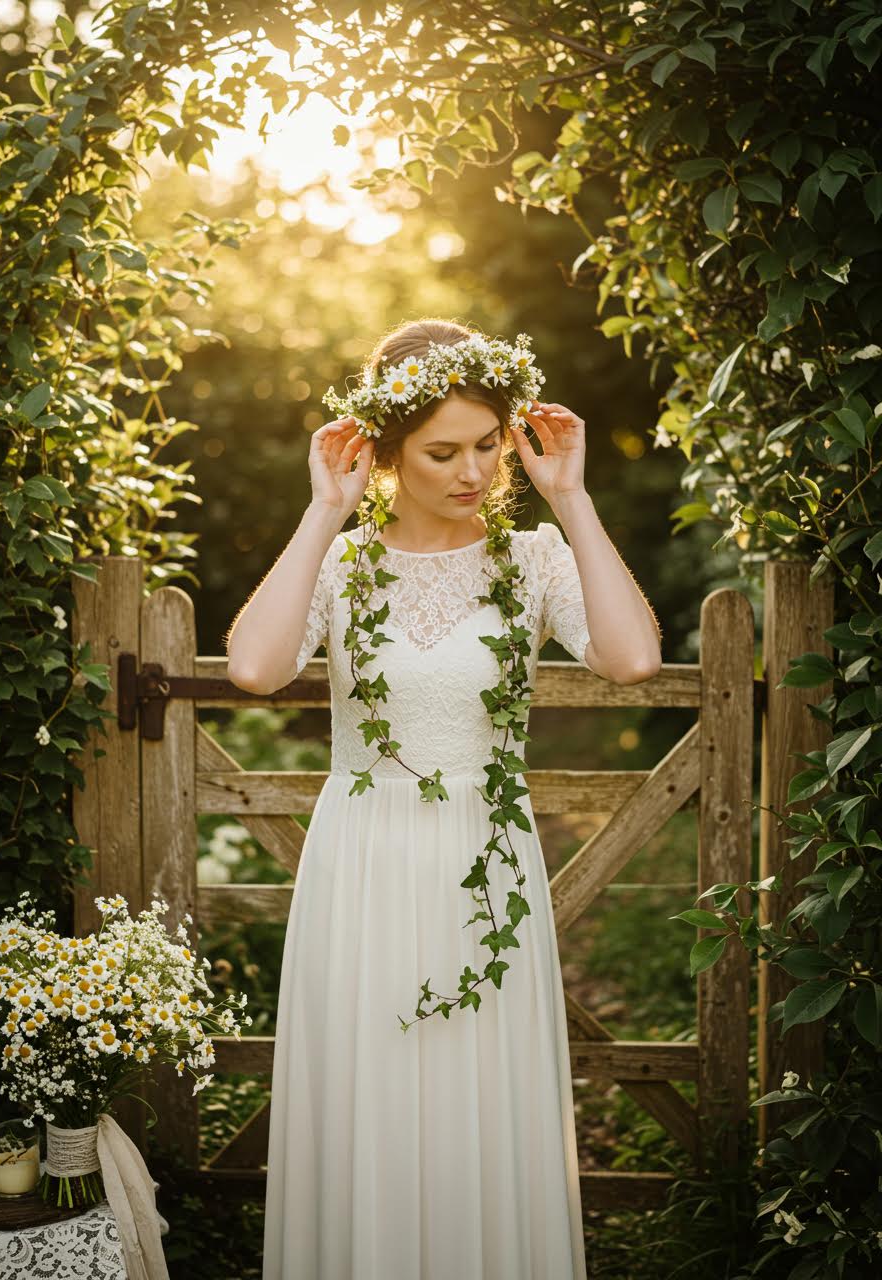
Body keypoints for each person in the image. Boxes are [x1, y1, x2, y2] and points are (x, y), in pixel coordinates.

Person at [226, 318, 662, 1279]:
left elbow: (631, 659)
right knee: (368, 1094)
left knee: (481, 1098)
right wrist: (321, 514)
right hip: (364, 866)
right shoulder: (345, 567)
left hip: (486, 864)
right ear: (384, 451)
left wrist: (573, 498)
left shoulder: (533, 559)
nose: (473, 471)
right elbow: (256, 667)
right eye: (442, 451)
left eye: (487, 443)